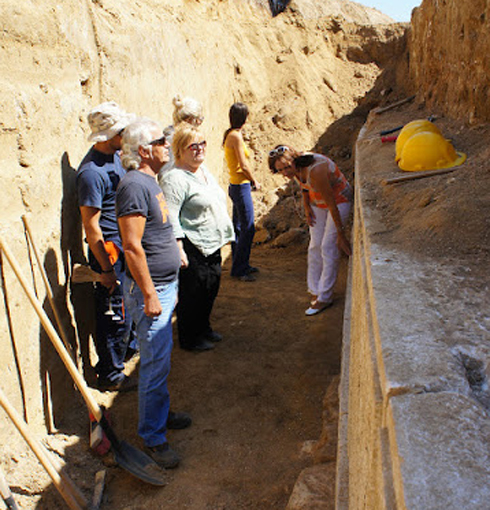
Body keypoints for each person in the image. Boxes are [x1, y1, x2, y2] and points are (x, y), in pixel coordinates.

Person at [116, 118, 191, 469]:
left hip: (164, 283)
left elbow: (155, 230)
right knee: (154, 363)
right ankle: (152, 437)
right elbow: (131, 246)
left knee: (161, 360)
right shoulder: (133, 185)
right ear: (144, 150)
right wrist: (149, 293)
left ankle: (159, 414)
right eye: (161, 141)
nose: (167, 144)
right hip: (152, 289)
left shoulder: (150, 180)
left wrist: (174, 254)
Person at [77, 101, 136, 391]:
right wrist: (106, 268)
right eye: (121, 131)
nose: (126, 135)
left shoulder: (114, 158)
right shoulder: (91, 173)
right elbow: (91, 226)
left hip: (124, 248)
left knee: (126, 311)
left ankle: (125, 355)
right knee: (114, 315)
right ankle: (111, 376)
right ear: (108, 135)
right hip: (109, 252)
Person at [160, 123, 234, 352]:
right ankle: (190, 338)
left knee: (210, 287)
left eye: (203, 144)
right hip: (193, 245)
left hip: (212, 243)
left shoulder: (203, 171)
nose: (200, 149)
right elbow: (170, 216)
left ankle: (204, 328)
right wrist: (179, 249)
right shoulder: (174, 179)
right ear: (180, 149)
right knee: (193, 293)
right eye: (194, 145)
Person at [268, 145, 353, 316]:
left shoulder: (316, 170)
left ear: (295, 160)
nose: (285, 172)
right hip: (317, 203)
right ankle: (315, 290)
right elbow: (304, 186)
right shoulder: (296, 169)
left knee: (328, 247)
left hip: (338, 200)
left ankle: (325, 297)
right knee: (315, 246)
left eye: (286, 167)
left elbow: (332, 203)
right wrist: (306, 206)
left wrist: (341, 235)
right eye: (280, 170)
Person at [223, 102, 261, 282]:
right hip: (241, 185)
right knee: (248, 228)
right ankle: (240, 268)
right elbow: (243, 165)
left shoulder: (232, 134)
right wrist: (254, 180)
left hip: (236, 185)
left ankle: (241, 265)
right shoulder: (235, 136)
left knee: (239, 227)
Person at [158, 95, 204, 186]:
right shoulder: (172, 139)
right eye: (198, 119)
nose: (199, 123)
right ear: (189, 120)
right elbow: (165, 174)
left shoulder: (186, 137)